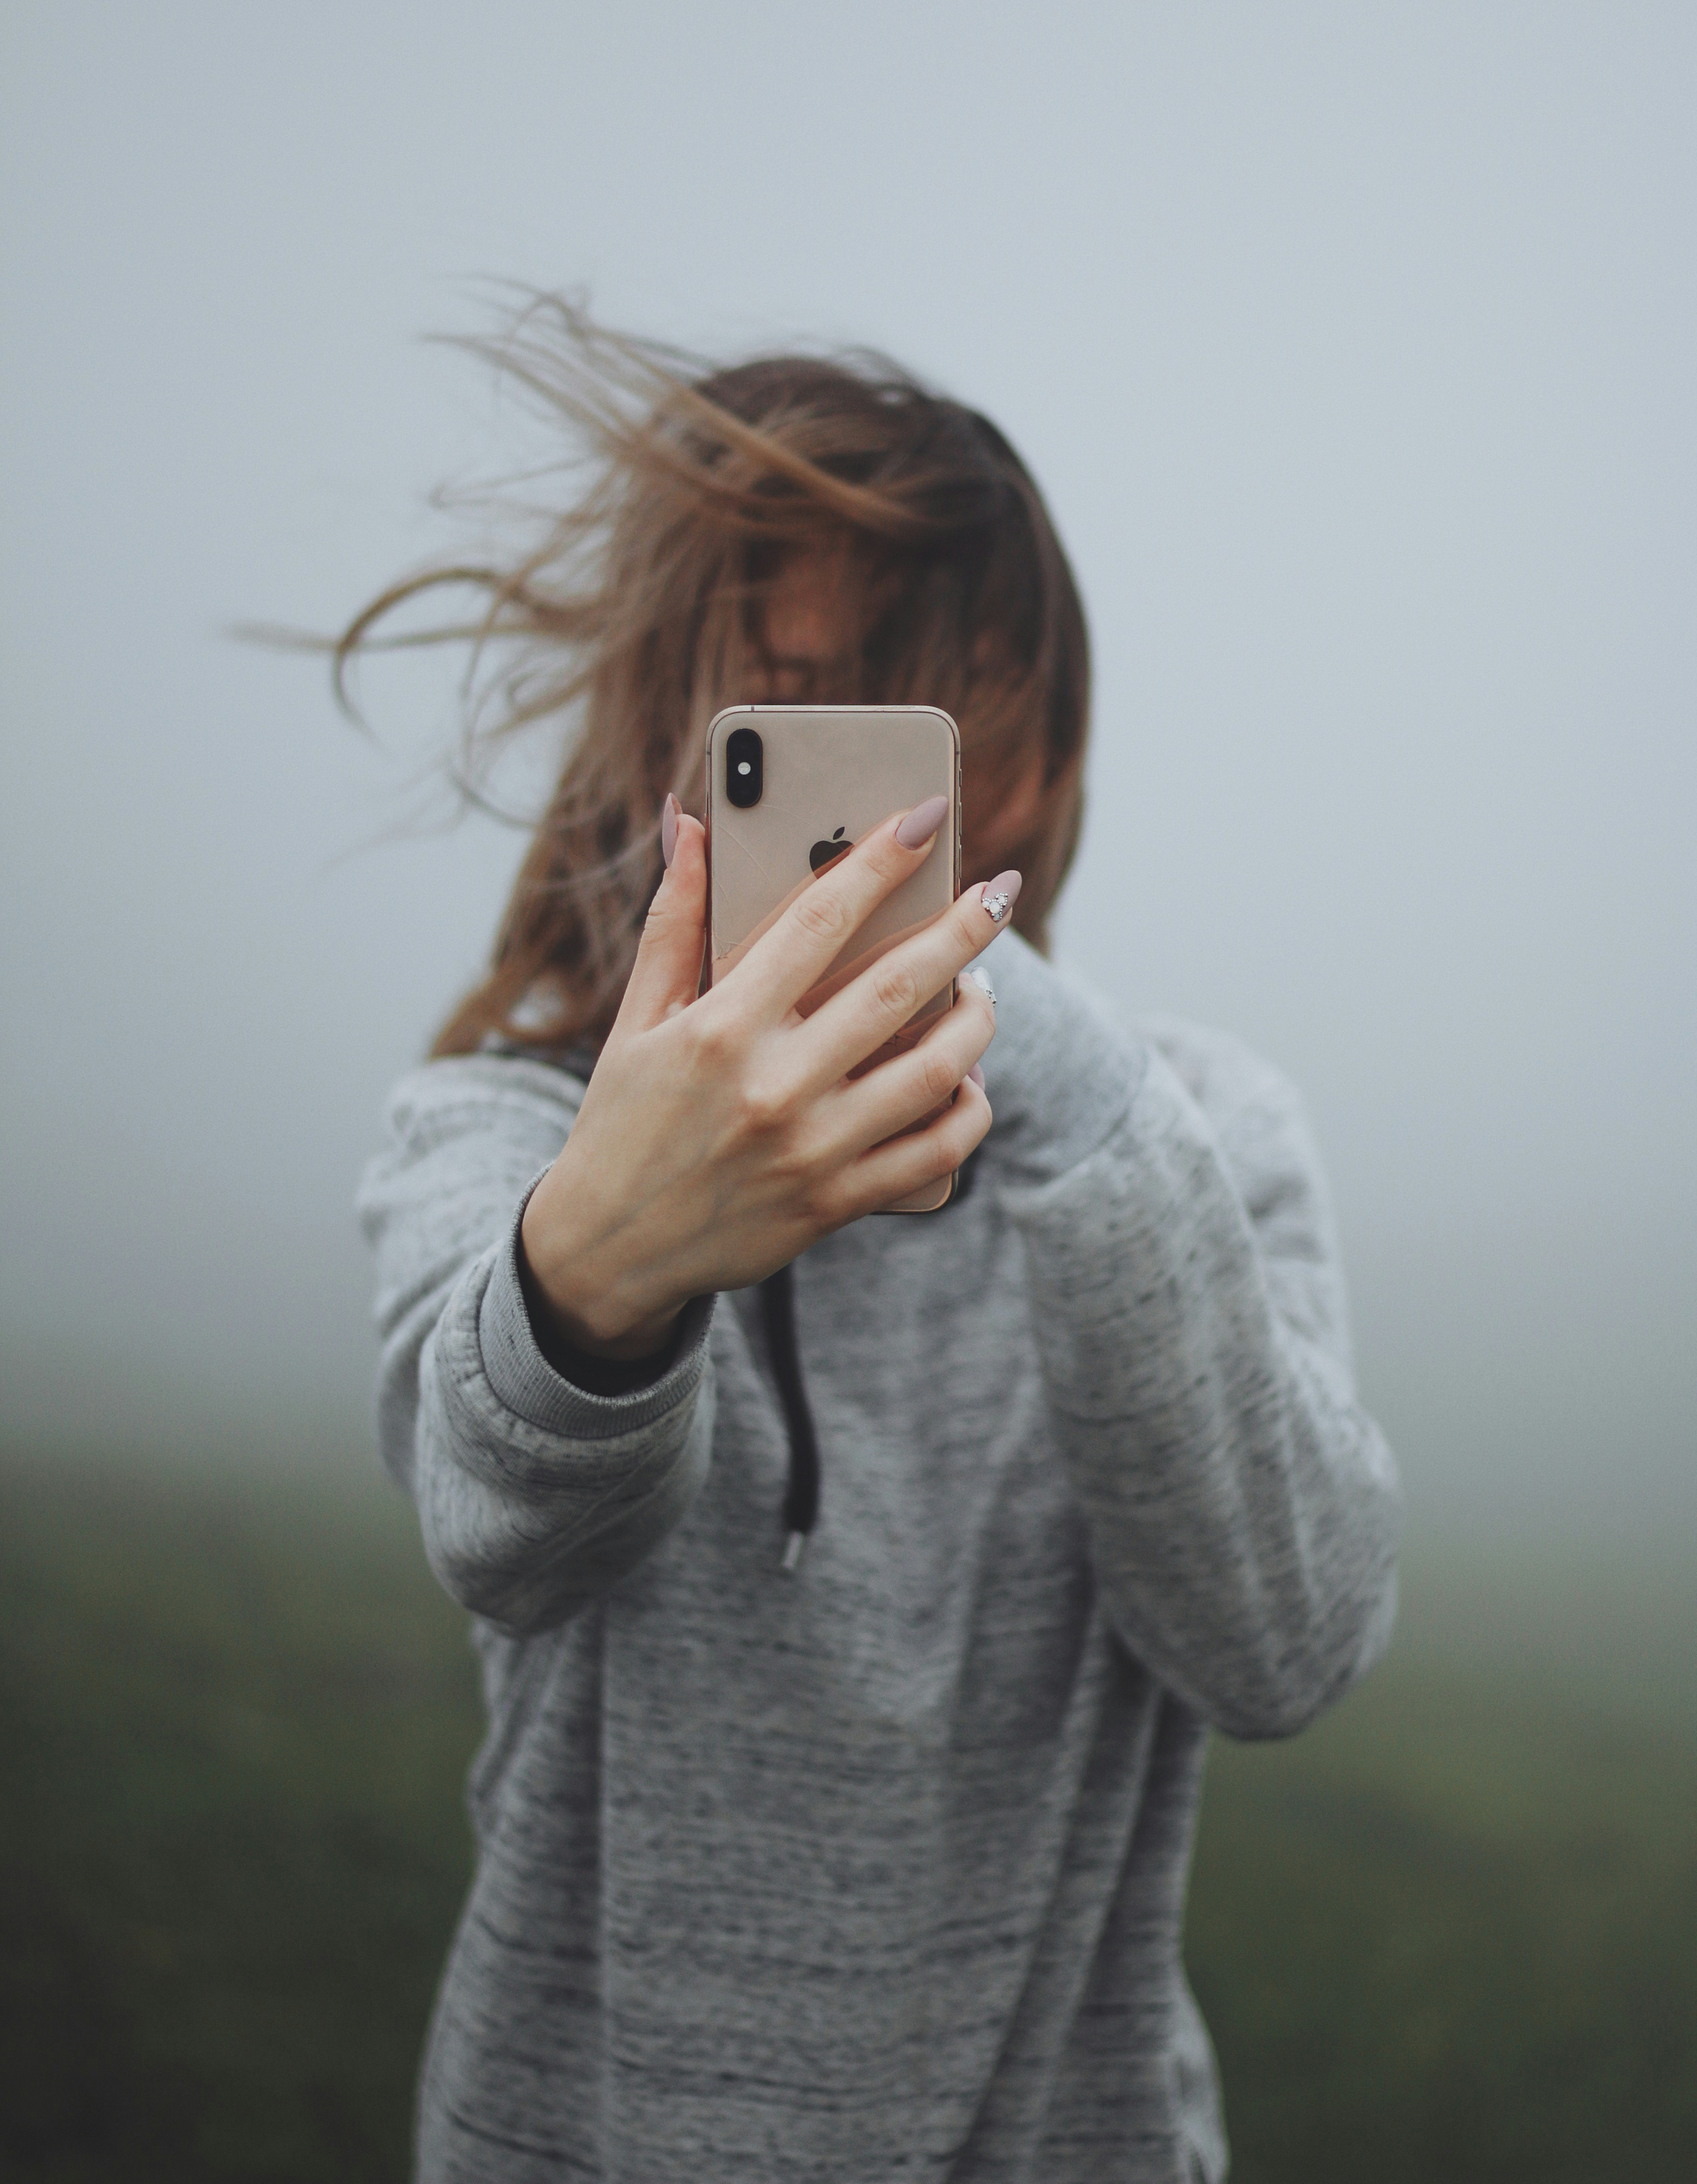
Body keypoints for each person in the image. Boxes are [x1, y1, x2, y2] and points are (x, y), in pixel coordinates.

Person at [354, 300, 1401, 2184]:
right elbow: (498, 1529)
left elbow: (1291, 1643)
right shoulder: (500, 1134)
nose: (886, 800)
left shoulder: (1194, 1135)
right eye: (799, 697)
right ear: (671, 725)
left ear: (1045, 742)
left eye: (949, 706)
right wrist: (607, 1263)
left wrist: (1061, 1092)